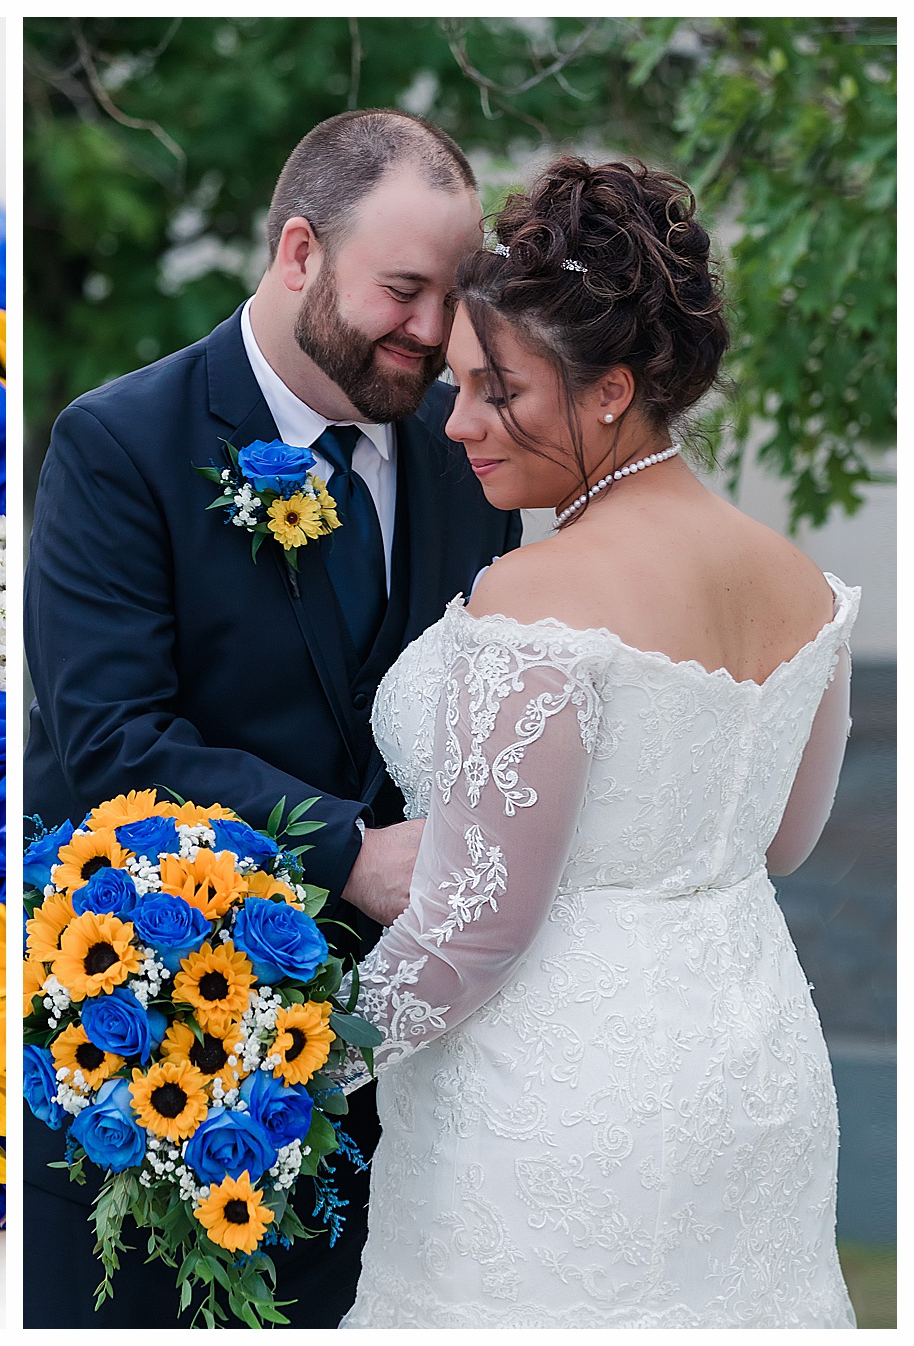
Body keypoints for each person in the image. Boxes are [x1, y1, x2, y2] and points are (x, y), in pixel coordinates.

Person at [24, 108, 522, 1328]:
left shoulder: (468, 462)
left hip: (403, 1077)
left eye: (452, 296)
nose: (431, 331)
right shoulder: (121, 444)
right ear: (299, 251)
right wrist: (347, 849)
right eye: (403, 289)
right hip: (163, 1040)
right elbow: (107, 742)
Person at [338, 157, 856, 1328]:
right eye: (459, 386)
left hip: (554, 1093)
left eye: (498, 391)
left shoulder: (538, 594)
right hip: (757, 1067)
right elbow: (782, 843)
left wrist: (297, 1066)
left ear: (614, 388)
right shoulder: (806, 590)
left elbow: (479, 926)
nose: (459, 420)